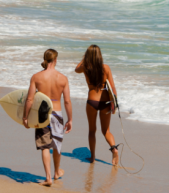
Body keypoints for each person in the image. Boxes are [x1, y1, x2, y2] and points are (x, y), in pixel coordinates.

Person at [23, 49, 73, 187]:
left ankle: (49, 177)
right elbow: (67, 101)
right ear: (56, 60)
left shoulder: (36, 77)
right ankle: (57, 172)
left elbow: (29, 99)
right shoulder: (63, 78)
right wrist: (70, 119)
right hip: (57, 113)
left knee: (45, 146)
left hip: (42, 114)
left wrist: (25, 117)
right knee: (57, 144)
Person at [75, 45, 119, 166]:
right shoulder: (106, 68)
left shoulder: (85, 67)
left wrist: (85, 58)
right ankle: (114, 148)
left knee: (92, 130)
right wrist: (114, 103)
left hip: (92, 101)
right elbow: (113, 87)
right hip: (105, 102)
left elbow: (76, 69)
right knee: (106, 131)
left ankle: (93, 157)